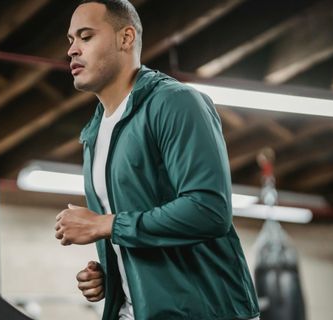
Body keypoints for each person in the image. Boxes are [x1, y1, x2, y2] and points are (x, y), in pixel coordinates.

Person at [54, 0, 260, 319]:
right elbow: (135, 231)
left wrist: (105, 224)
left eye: (86, 36)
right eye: (71, 40)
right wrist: (114, 274)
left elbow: (209, 210)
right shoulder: (94, 133)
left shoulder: (176, 103)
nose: (72, 50)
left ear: (126, 38)